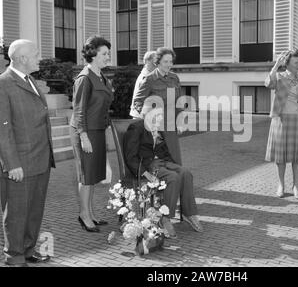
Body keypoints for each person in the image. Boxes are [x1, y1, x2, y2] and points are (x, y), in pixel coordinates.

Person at [0, 39, 55, 266]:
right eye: (35, 53)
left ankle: (28, 249)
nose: (39, 57)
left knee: (34, 210)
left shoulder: (30, 80)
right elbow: (3, 128)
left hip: (40, 159)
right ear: (22, 58)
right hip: (20, 163)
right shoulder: (3, 83)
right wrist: (12, 163)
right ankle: (14, 256)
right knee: (16, 213)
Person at [123, 103, 203, 239]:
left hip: (162, 162)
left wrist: (175, 166)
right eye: (157, 115)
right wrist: (146, 174)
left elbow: (164, 151)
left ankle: (189, 213)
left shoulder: (158, 128)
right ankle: (165, 218)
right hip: (148, 166)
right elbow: (130, 157)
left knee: (185, 173)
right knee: (173, 178)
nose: (160, 118)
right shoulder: (136, 128)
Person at [70, 36, 113, 232]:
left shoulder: (101, 76)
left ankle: (91, 212)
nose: (108, 56)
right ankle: (83, 215)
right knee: (86, 176)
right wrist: (84, 136)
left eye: (108, 53)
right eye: (104, 53)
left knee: (94, 175)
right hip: (85, 132)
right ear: (93, 55)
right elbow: (79, 110)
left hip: (97, 131)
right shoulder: (84, 78)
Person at [264, 49, 298, 200]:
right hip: (280, 120)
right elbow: (268, 84)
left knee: (297, 156)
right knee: (281, 156)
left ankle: (296, 186)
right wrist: (275, 67)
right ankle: (281, 185)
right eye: (296, 62)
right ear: (288, 63)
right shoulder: (279, 77)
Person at [132, 47, 183, 165]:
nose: (169, 64)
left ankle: (174, 182)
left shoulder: (174, 78)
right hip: (156, 130)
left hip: (171, 127)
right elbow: (138, 102)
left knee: (175, 160)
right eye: (166, 61)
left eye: (171, 61)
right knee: (159, 162)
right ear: (158, 62)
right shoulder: (149, 79)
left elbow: (178, 102)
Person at [130, 51, 157, 118]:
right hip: (142, 116)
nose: (156, 65)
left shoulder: (148, 75)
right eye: (154, 62)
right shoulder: (145, 77)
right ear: (147, 62)